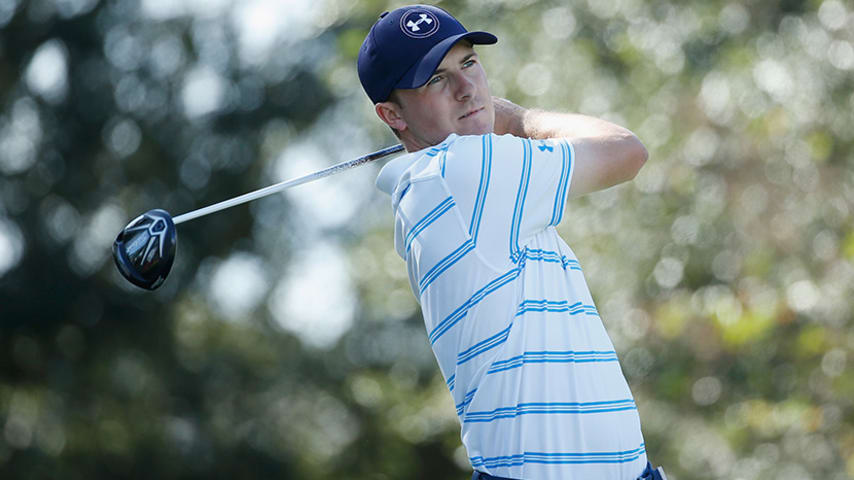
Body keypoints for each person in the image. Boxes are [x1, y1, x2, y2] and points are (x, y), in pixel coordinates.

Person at [358, 5, 665, 480]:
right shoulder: (462, 173)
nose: (467, 88)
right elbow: (626, 151)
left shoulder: (443, 180)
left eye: (469, 63)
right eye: (436, 80)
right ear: (391, 113)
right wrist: (512, 115)